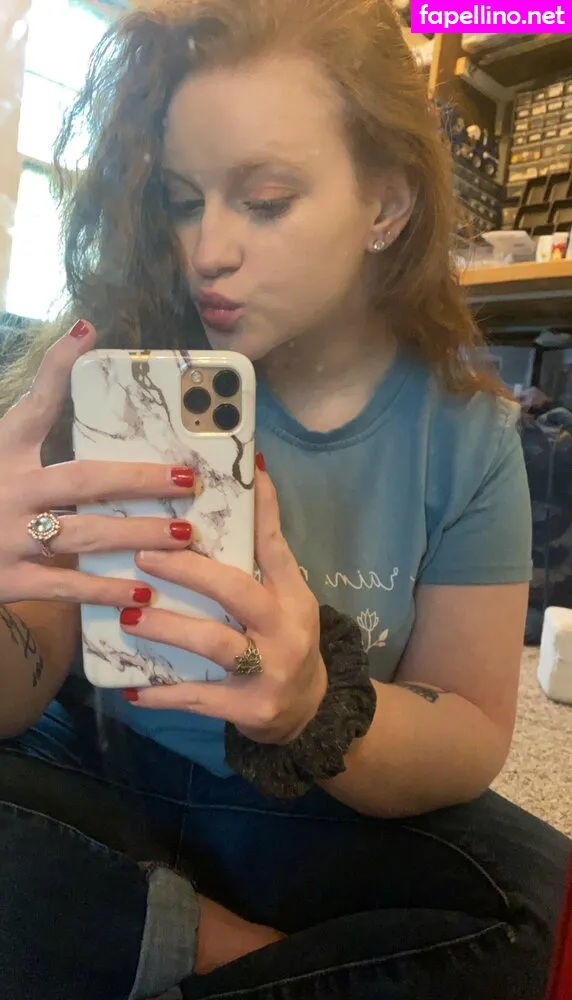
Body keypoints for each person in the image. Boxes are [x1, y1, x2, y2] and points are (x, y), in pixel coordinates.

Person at [0, 0, 569, 997]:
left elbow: (471, 731)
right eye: (183, 201)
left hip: (307, 807)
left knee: (534, 897)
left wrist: (311, 706)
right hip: (105, 767)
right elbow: (21, 686)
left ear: (385, 204)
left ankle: (122, 945)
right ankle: (223, 954)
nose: (206, 250)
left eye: (263, 200)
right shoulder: (124, 375)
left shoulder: (463, 434)